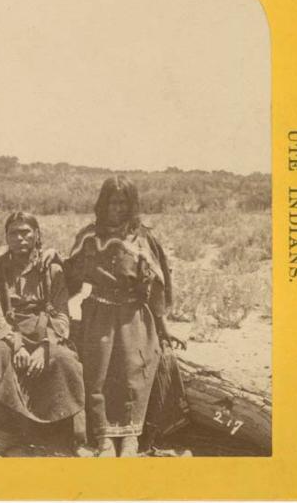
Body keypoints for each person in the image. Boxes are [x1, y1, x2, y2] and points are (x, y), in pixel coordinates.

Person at [64, 176, 189, 457]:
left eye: (123, 202)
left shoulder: (143, 238)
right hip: (97, 312)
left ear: (131, 205)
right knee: (97, 372)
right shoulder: (88, 236)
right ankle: (104, 438)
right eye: (112, 202)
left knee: (135, 371)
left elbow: (156, 286)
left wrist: (163, 327)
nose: (117, 208)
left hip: (135, 316)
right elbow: (68, 277)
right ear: (102, 204)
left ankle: (131, 437)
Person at [0, 211, 86, 456]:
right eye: (13, 233)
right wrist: (15, 342)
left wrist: (45, 346)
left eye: (26, 232)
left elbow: (61, 313)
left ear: (37, 235)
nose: (20, 238)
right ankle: (7, 431)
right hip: (10, 330)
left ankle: (73, 435)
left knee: (65, 360)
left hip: (46, 331)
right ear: (6, 237)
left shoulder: (51, 269)